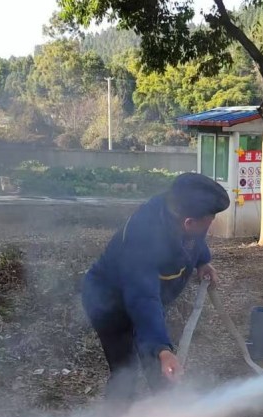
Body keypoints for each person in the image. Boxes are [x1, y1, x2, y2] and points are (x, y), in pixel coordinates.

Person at [82, 173, 230, 404]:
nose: (211, 226)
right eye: (209, 221)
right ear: (188, 222)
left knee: (162, 369)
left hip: (147, 297)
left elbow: (194, 241)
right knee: (125, 372)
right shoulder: (142, 240)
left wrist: (203, 261)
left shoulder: (176, 210)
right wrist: (161, 347)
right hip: (110, 303)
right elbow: (144, 300)